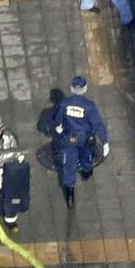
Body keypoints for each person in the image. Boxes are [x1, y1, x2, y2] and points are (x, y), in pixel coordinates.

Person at [49, 76, 109, 210]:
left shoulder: (64, 104)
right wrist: (104, 141)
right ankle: (87, 172)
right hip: (85, 139)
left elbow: (56, 119)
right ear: (85, 89)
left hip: (68, 139)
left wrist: (58, 126)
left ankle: (70, 196)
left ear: (71, 88)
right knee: (86, 158)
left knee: (68, 166)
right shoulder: (89, 106)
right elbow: (98, 124)